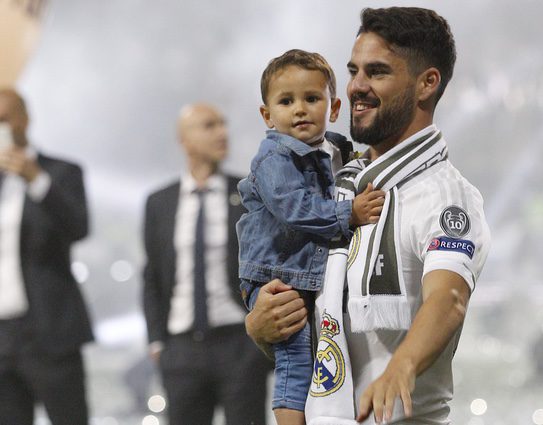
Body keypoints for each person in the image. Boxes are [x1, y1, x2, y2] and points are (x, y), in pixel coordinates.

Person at [245, 7, 491, 424]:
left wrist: (402, 366)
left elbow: (448, 298)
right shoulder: (334, 179)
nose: (357, 86)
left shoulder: (445, 196)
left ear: (426, 83)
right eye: (353, 70)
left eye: (376, 72)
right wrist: (261, 325)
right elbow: (316, 315)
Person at [236, 49, 385, 425]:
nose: (299, 109)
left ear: (334, 107)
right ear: (267, 115)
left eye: (311, 99)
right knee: (296, 356)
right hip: (277, 275)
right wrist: (348, 213)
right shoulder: (274, 159)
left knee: (319, 352)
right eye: (286, 101)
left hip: (306, 272)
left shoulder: (338, 150)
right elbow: (295, 209)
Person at [142, 103, 272, 425]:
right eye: (209, 125)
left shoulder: (248, 193)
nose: (222, 132)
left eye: (223, 124)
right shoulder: (160, 202)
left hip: (239, 344)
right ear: (184, 140)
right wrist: (158, 342)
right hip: (181, 350)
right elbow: (153, 277)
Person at [0, 88, 92, 425]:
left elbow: (78, 227)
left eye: (3, 118)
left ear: (24, 119)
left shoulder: (61, 172)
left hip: (49, 330)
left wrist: (35, 179)